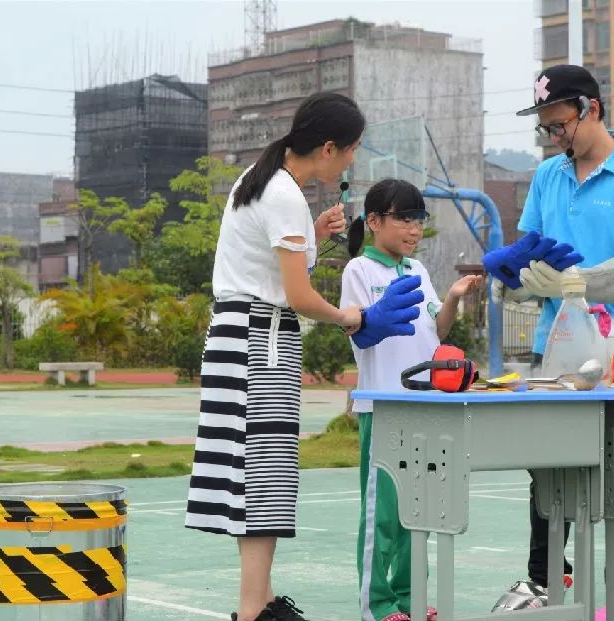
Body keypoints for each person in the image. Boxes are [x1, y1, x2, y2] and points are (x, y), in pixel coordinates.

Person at [489, 64, 614, 608]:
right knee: (547, 460)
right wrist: (515, 280)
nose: (553, 138)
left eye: (558, 125)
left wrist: (580, 281)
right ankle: (545, 577)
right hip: (556, 338)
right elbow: (528, 251)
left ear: (590, 108)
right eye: (544, 129)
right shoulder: (548, 176)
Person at [185, 92, 367, 621]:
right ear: (328, 147)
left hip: (242, 335)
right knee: (262, 479)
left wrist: (314, 233)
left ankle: (260, 602)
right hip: (257, 340)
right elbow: (297, 294)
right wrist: (348, 316)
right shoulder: (284, 195)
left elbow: (263, 264)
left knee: (260, 478)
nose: (353, 160)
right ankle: (252, 611)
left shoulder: (261, 178)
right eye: (352, 149)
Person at [340, 179, 483, 621]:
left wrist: (455, 299)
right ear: (374, 222)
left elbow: (435, 333)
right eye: (404, 218)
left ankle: (407, 599)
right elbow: (357, 331)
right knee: (381, 516)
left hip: (425, 410)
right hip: (384, 410)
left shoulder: (417, 272)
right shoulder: (359, 272)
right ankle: (377, 604)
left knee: (416, 512)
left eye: (419, 219)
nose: (414, 228)